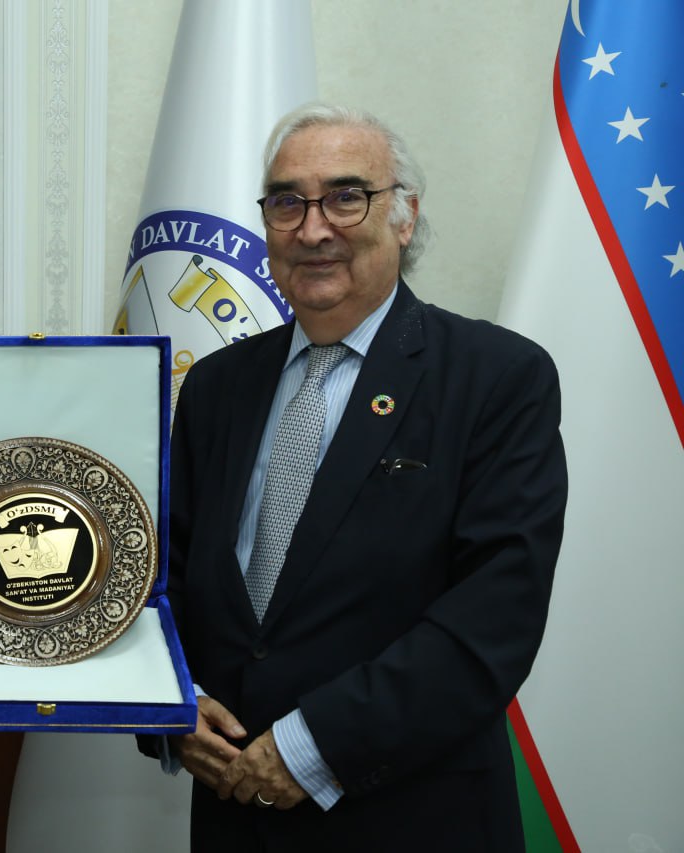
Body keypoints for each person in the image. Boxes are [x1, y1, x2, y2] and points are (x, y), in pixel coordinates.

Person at [153, 103, 567, 851]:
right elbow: (166, 575)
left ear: (405, 218)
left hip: (411, 816)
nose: (313, 229)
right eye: (287, 202)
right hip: (232, 810)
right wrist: (175, 704)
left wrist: (311, 747)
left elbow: (494, 617)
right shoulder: (215, 386)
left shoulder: (496, 378)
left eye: (346, 197)